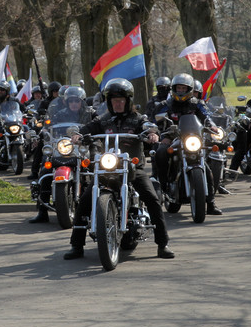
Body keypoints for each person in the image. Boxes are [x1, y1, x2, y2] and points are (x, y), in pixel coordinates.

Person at [62, 78, 175, 260]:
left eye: (121, 100)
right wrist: (75, 134)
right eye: (114, 100)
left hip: (132, 167)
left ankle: (163, 244)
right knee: (85, 199)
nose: (118, 103)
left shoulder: (138, 119)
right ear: (109, 102)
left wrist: (153, 133)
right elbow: (85, 128)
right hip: (108, 168)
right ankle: (76, 245)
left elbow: (149, 125)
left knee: (152, 198)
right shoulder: (103, 120)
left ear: (128, 101)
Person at [153, 73, 223, 215]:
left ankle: (210, 203)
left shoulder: (197, 103)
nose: (180, 91)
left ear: (189, 90)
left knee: (207, 168)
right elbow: (155, 123)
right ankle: (163, 186)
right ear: (173, 89)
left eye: (183, 88)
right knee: (161, 152)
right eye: (178, 88)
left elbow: (206, 116)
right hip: (172, 137)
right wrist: (161, 134)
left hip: (193, 138)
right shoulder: (165, 105)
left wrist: (212, 126)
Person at [28, 86, 95, 223]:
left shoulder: (91, 113)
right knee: (46, 170)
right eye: (71, 101)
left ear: (81, 102)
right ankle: (42, 211)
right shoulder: (60, 114)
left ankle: (95, 208)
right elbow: (49, 125)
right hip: (64, 147)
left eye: (76, 101)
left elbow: (99, 125)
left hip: (84, 147)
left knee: (94, 170)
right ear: (66, 102)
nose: (74, 104)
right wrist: (44, 131)